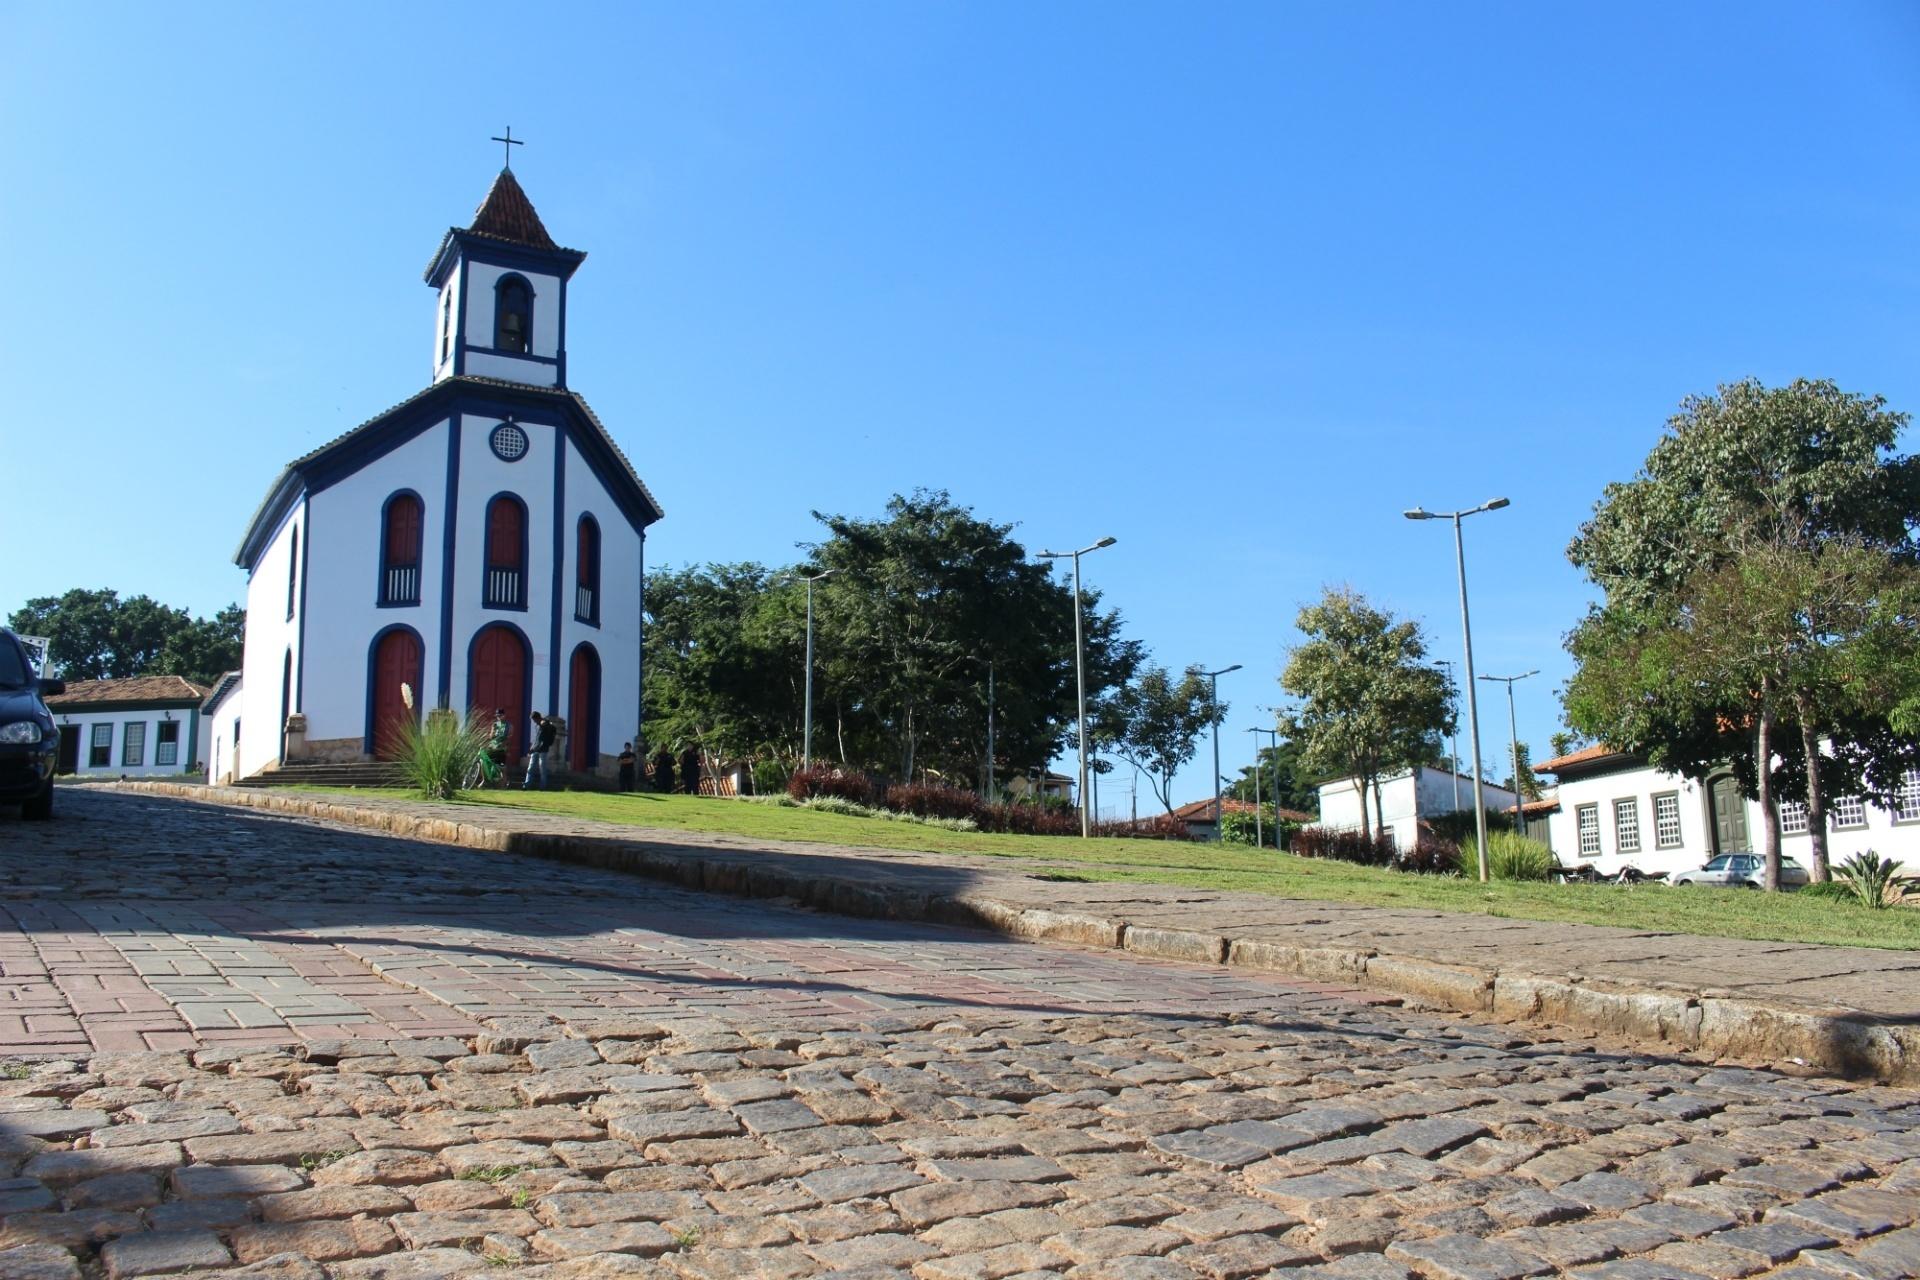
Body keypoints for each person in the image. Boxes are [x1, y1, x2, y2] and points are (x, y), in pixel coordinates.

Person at [524, 712, 559, 790]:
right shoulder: (539, 725)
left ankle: (542, 786)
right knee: (531, 767)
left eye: (534, 720)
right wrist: (532, 748)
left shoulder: (544, 724)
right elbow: (537, 738)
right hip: (536, 749)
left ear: (537, 718)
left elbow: (542, 739)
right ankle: (527, 785)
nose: (534, 722)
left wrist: (533, 749)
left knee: (542, 768)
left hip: (543, 749)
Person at [483, 709, 511, 787]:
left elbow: (508, 737)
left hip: (501, 749)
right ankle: (486, 781)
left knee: (502, 768)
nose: (498, 717)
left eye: (500, 716)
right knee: (487, 764)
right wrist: (486, 737)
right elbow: (491, 735)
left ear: (504, 715)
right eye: (497, 716)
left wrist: (504, 745)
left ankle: (503, 785)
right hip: (493, 747)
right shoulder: (495, 724)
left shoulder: (508, 725)